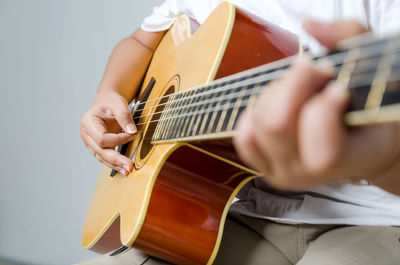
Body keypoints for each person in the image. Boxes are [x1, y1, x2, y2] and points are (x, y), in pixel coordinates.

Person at [79, 0, 400, 264]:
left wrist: (377, 161)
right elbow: (140, 40)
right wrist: (108, 92)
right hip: (224, 214)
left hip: (368, 219)